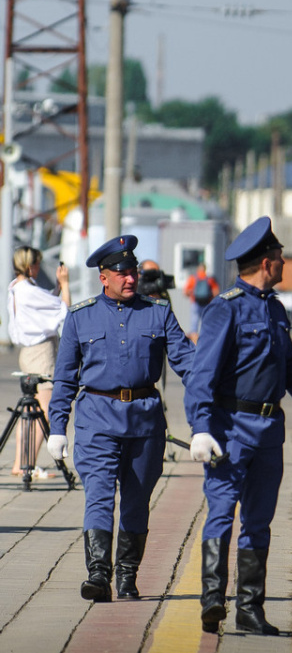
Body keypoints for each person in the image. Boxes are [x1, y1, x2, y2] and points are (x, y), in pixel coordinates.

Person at [184, 216, 292, 635]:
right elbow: (202, 375)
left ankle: (250, 610)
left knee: (258, 520)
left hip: (269, 432)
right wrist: (201, 427)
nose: (285, 263)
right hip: (230, 428)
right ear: (266, 263)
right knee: (220, 511)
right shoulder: (224, 308)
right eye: (281, 257)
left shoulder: (273, 309)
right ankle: (213, 600)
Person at [48, 235, 194, 602]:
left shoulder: (158, 312)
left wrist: (219, 397)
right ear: (103, 277)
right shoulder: (80, 317)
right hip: (96, 418)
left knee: (135, 499)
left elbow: (189, 364)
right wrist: (57, 428)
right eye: (122, 272)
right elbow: (65, 377)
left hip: (145, 421)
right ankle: (98, 574)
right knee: (98, 494)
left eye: (133, 272)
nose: (131, 279)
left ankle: (127, 576)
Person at [6, 246, 70, 478]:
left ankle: (21, 463)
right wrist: (65, 284)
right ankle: (28, 465)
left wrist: (56, 286)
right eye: (37, 264)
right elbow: (64, 310)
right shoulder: (27, 290)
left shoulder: (16, 287)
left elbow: (47, 305)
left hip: (29, 352)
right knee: (46, 411)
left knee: (29, 411)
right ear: (30, 265)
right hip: (41, 353)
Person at [184, 263, 219, 335]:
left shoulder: (192, 278)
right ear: (205, 269)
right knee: (206, 323)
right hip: (207, 303)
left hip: (195, 302)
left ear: (198, 269)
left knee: (194, 324)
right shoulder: (210, 279)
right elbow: (216, 292)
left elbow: (186, 292)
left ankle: (194, 340)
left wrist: (192, 293)